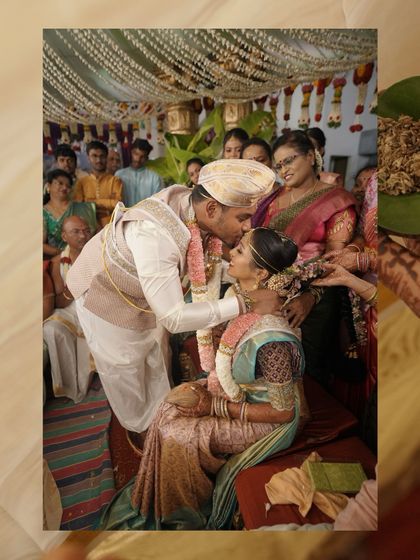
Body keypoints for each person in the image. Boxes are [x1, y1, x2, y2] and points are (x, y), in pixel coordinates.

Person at [99, 227, 308, 531]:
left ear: (260, 273)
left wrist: (216, 408)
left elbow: (284, 413)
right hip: (240, 394)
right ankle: (155, 498)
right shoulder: (241, 297)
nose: (231, 252)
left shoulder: (272, 341)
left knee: (177, 433)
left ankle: (185, 512)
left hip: (266, 420)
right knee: (168, 407)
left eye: (240, 250)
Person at [66, 159, 282, 434]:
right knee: (127, 369)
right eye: (242, 217)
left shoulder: (190, 205)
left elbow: (209, 264)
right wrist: (246, 302)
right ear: (213, 209)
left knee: (155, 355)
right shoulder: (155, 236)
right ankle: (142, 432)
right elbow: (174, 317)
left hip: (144, 295)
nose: (248, 226)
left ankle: (162, 419)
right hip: (105, 297)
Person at [43, 216, 93, 403]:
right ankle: (69, 387)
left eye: (86, 230)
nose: (83, 235)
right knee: (50, 328)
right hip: (71, 309)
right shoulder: (58, 263)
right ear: (64, 236)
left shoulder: (99, 255)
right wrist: (73, 290)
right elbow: (60, 300)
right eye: (76, 232)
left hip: (97, 306)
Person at [43, 169, 97, 258]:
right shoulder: (43, 213)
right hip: (60, 260)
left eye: (68, 186)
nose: (64, 187)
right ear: (49, 186)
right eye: (60, 183)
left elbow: (96, 232)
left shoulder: (84, 208)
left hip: (89, 256)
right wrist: (66, 254)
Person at [73, 141, 123, 228]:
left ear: (106, 157)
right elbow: (79, 207)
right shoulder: (81, 182)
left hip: (111, 226)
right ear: (88, 157)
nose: (98, 160)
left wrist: (91, 202)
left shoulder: (115, 180)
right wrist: (107, 203)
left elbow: (117, 204)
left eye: (102, 156)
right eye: (94, 156)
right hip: (87, 228)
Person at [116, 138, 162, 206]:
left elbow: (156, 202)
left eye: (142, 156)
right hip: (124, 215)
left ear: (147, 158)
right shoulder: (119, 175)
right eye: (136, 154)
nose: (138, 159)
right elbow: (116, 201)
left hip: (146, 215)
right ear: (131, 153)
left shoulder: (154, 178)